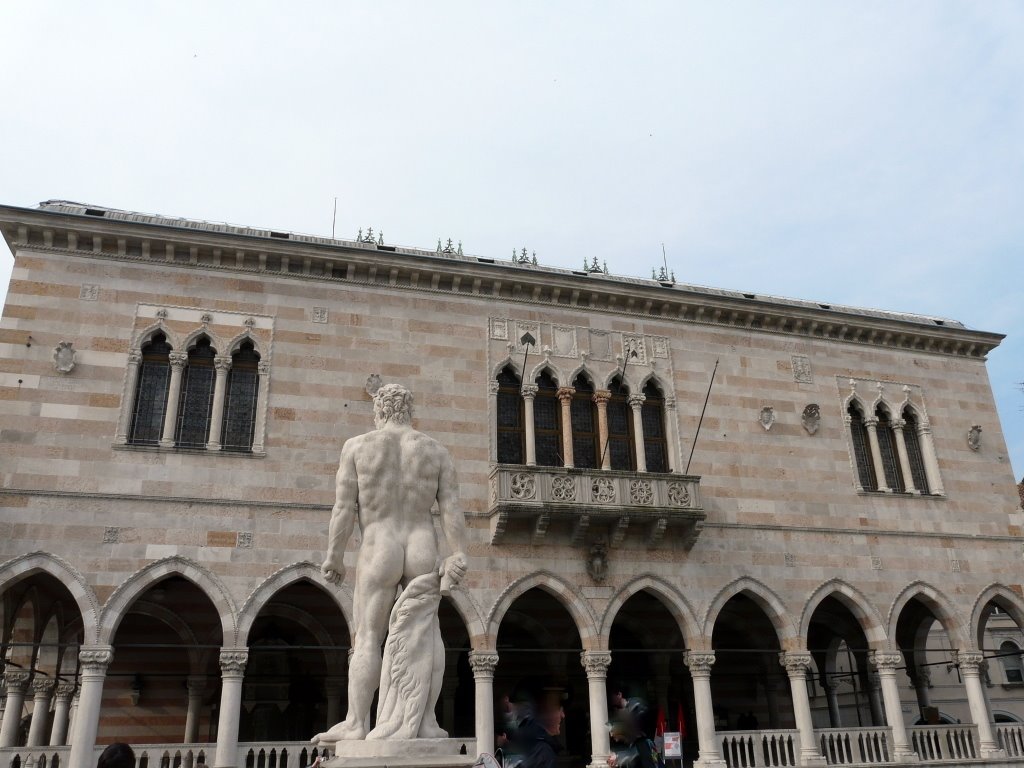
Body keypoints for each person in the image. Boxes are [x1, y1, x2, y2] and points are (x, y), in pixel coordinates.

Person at [313, 383, 468, 742]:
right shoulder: (435, 451)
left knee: (368, 636)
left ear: (378, 411)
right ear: (410, 411)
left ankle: (356, 723)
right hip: (421, 544)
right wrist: (458, 551)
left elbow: (343, 507)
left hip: (379, 544)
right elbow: (451, 509)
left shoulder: (357, 447)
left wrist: (334, 556)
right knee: (428, 634)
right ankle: (426, 720)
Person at [607, 699, 658, 768]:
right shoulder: (631, 744)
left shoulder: (644, 742)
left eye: (613, 730)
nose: (612, 735)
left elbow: (637, 753)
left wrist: (618, 756)